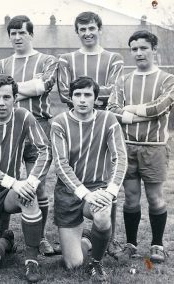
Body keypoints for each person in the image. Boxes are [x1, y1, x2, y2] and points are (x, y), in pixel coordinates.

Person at [0, 74, 52, 283]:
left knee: (29, 195)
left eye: (7, 97)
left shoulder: (24, 116)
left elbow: (45, 150)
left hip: (8, 194)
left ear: (15, 98)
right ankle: (6, 241)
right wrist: (14, 182)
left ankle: (31, 261)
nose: (1, 102)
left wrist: (30, 182)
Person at [57, 11, 124, 256]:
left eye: (92, 28)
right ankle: (79, 235)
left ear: (99, 29)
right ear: (77, 32)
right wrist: (94, 92)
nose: (87, 33)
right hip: (75, 123)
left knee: (106, 177)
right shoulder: (66, 59)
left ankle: (109, 239)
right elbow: (65, 93)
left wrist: (85, 92)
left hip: (105, 122)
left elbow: (115, 91)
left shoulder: (113, 58)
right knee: (72, 167)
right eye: (82, 29)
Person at [0, 15, 58, 255]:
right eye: (13, 33)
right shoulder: (1, 64)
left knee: (36, 186)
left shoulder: (47, 60)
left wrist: (15, 88)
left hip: (38, 125)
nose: (18, 37)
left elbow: (45, 85)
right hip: (7, 126)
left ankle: (39, 237)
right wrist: (30, 85)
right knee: (4, 182)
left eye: (22, 32)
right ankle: (2, 233)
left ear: (31, 34)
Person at [51, 76, 127, 282]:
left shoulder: (108, 119)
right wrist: (84, 194)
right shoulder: (59, 123)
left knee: (102, 216)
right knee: (73, 264)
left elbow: (119, 158)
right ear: (70, 98)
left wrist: (109, 192)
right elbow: (61, 164)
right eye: (77, 95)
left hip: (99, 188)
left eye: (87, 95)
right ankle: (86, 239)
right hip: (69, 192)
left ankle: (97, 263)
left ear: (95, 98)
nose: (82, 100)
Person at [108, 30, 174, 263]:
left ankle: (157, 244)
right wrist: (138, 115)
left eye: (143, 48)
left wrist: (131, 110)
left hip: (154, 147)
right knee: (131, 198)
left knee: (155, 198)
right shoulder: (123, 80)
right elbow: (112, 109)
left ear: (154, 50)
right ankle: (131, 244)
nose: (138, 53)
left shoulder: (168, 79)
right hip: (126, 146)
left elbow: (161, 108)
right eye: (134, 49)